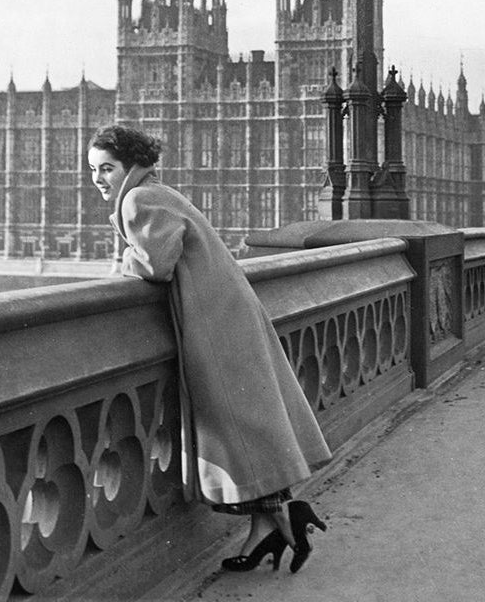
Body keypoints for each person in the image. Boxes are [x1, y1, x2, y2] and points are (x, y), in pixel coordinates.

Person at [88, 124, 331, 574]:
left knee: (237, 427)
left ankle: (283, 516)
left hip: (214, 324)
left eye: (107, 168)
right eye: (94, 170)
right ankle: (272, 524)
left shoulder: (139, 198)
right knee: (245, 427)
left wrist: (121, 260)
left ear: (129, 166)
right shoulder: (157, 191)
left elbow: (154, 266)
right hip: (223, 314)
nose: (99, 178)